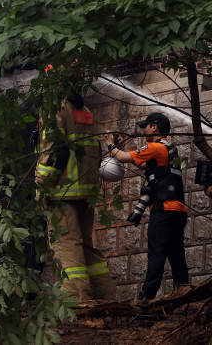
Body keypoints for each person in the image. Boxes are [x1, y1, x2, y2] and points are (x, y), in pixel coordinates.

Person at [35, 93, 115, 301]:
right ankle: (105, 297)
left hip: (62, 192)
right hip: (85, 191)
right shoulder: (84, 110)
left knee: (67, 247)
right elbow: (96, 148)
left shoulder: (55, 109)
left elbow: (54, 153)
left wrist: (40, 187)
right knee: (87, 248)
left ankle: (77, 302)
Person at [108, 112, 188, 300]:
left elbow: (121, 158)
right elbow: (143, 164)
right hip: (178, 211)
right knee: (177, 255)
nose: (144, 129)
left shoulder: (156, 147)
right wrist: (121, 147)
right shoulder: (169, 149)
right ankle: (184, 293)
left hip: (163, 210)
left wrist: (110, 144)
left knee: (156, 255)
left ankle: (146, 298)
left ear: (155, 127)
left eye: (146, 126)